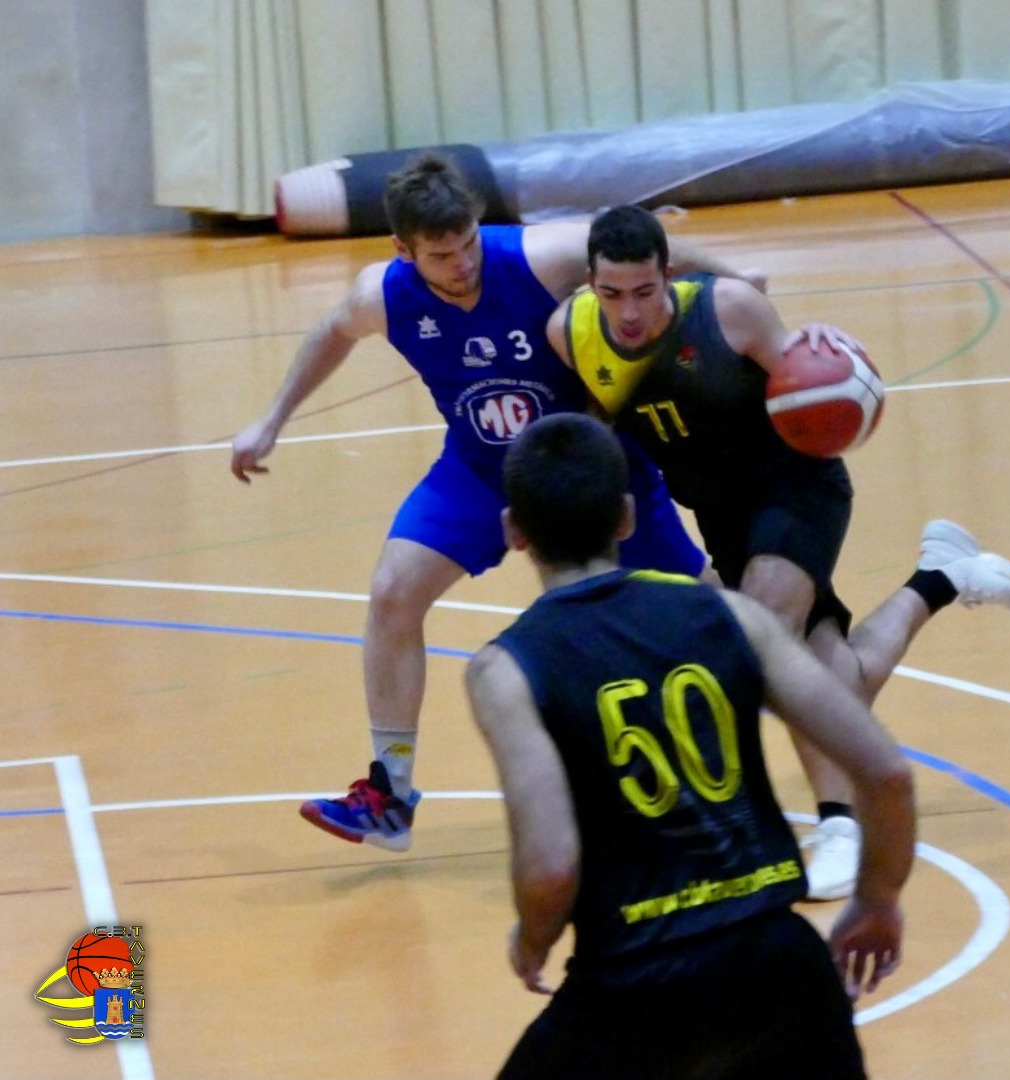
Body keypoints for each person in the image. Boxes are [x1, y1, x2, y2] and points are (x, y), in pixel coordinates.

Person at [230, 155, 762, 850]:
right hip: (482, 470)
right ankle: (390, 796)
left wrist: (739, 281)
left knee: (706, 606)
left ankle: (780, 706)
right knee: (393, 592)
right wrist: (271, 419)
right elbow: (333, 331)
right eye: (442, 255)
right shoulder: (381, 295)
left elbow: (654, 249)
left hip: (587, 464)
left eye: (468, 245)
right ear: (403, 250)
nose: (462, 265)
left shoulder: (541, 257)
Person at [545, 204, 1010, 900]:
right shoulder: (571, 334)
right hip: (720, 515)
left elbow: (808, 375)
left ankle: (839, 825)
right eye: (611, 293)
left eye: (643, 291)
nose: (628, 312)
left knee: (764, 638)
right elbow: (599, 426)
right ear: (589, 284)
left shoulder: (729, 311)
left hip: (796, 488)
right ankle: (941, 576)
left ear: (669, 274)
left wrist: (823, 351)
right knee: (829, 684)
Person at [466, 412, 916, 1080]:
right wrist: (877, 898)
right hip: (777, 964)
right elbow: (885, 773)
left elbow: (550, 866)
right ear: (626, 517)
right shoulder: (732, 615)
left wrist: (533, 938)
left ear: (513, 531)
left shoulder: (506, 669)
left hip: (632, 982)